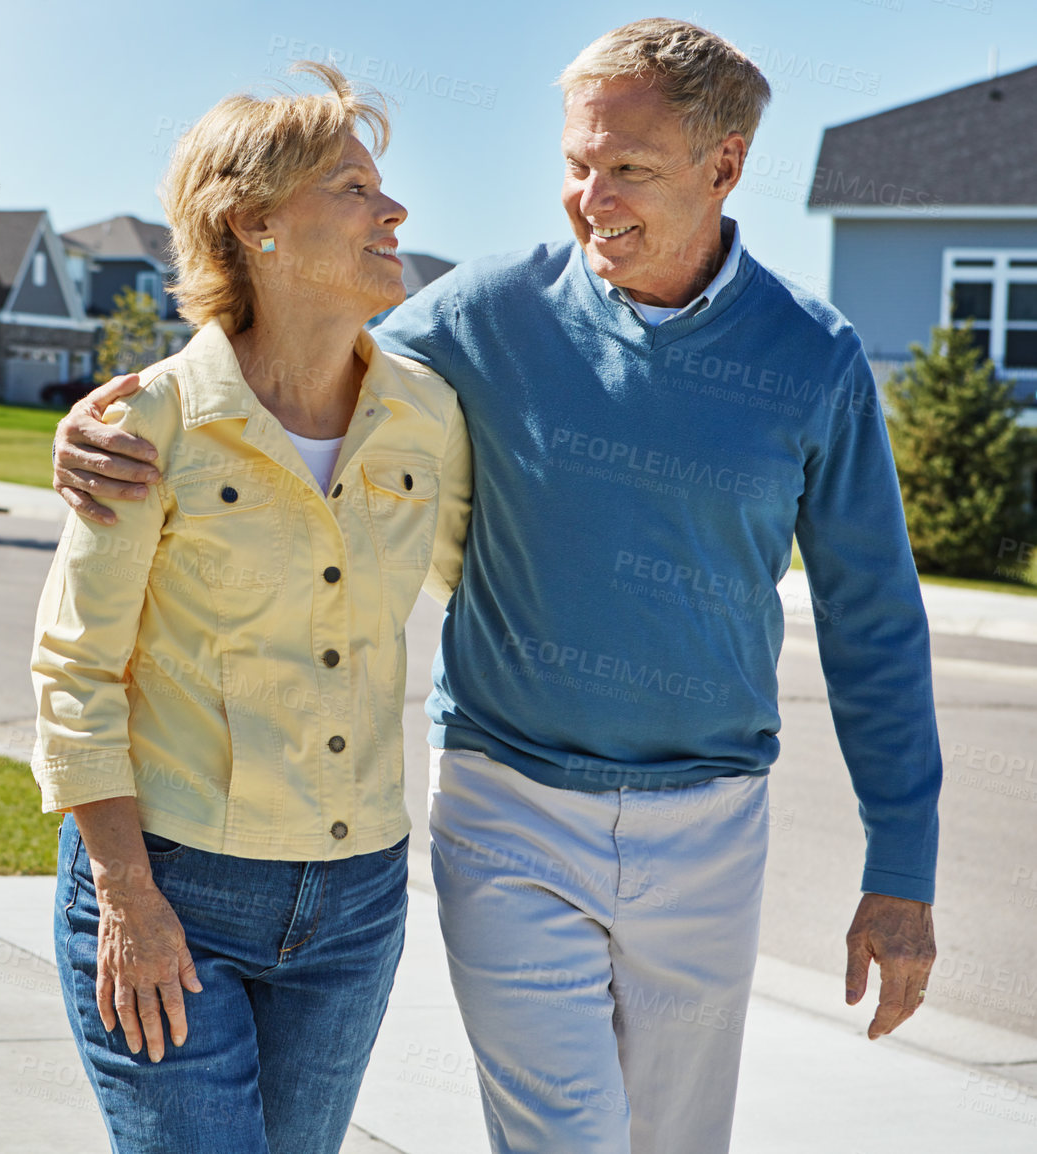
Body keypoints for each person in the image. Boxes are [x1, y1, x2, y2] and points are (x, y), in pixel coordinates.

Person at [50, 19, 941, 1154]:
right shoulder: (478, 319)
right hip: (508, 801)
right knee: (565, 1136)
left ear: (724, 165)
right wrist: (93, 429)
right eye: (576, 163)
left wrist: (901, 868)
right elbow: (284, 350)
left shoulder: (813, 356)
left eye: (627, 169)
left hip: (712, 820)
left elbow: (875, 624)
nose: (589, 196)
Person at [28, 63, 471, 1154]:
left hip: (356, 901)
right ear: (255, 223)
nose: (393, 210)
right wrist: (127, 901)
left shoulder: (427, 415)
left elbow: (499, 582)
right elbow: (74, 673)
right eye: (351, 187)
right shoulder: (148, 424)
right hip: (169, 893)